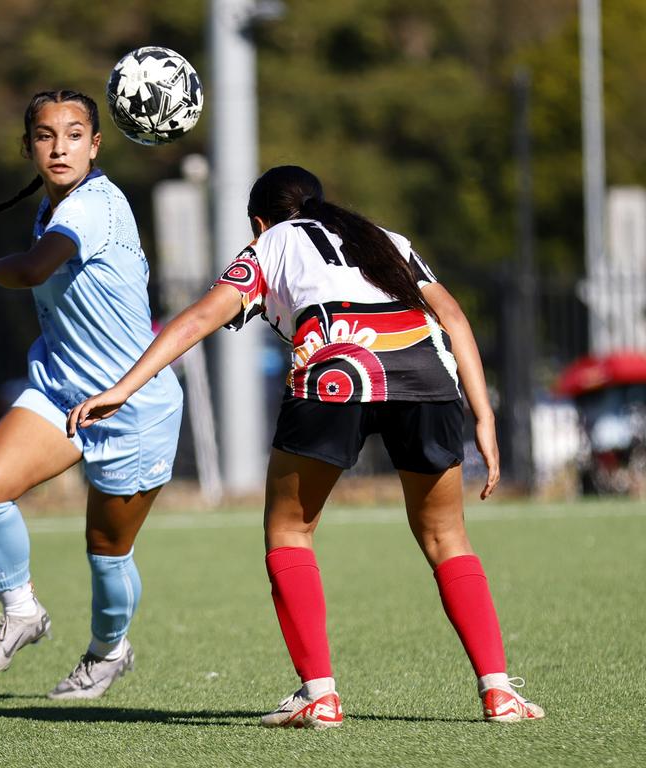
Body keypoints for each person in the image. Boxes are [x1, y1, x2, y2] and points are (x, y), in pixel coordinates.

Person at [68, 165, 545, 726]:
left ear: (258, 221)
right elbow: (453, 315)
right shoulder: (386, 240)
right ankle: (499, 693)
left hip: (338, 366)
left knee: (289, 530)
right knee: (446, 535)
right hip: (428, 376)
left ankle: (319, 696)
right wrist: (482, 414)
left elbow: (200, 317)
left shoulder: (270, 243)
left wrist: (123, 388)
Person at [0, 90, 183, 700]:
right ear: (29, 145)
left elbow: (31, 270)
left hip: (131, 403)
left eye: (75, 133)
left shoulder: (93, 206)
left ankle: (108, 652)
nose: (59, 147)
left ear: (96, 144)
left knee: (107, 552)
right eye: (45, 135)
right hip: (61, 389)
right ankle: (23, 612)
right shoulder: (52, 205)